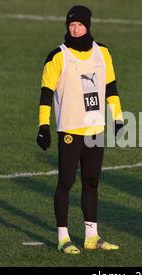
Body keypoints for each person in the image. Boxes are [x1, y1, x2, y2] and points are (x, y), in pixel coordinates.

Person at [36, 5, 124, 254]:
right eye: (71, 25)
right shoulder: (58, 56)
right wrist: (43, 125)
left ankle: (91, 236)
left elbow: (111, 87)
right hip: (70, 130)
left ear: (88, 25)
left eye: (79, 24)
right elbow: (46, 94)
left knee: (92, 181)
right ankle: (63, 237)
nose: (74, 29)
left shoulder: (102, 52)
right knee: (65, 181)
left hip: (95, 129)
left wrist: (117, 118)